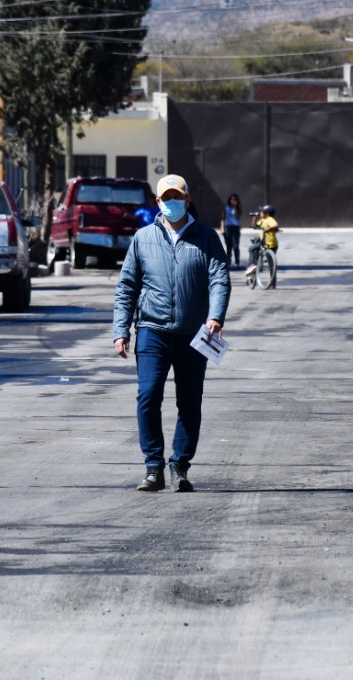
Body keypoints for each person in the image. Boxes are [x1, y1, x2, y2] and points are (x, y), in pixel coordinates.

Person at [113, 173, 230, 493]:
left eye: (177, 197)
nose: (172, 202)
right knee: (148, 395)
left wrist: (215, 316)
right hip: (152, 330)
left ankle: (179, 465)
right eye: (166, 198)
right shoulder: (143, 238)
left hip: (195, 334)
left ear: (188, 200)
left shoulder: (207, 238)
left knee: (189, 402)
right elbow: (127, 287)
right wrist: (120, 329)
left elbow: (219, 279)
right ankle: (153, 467)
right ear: (158, 202)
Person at [245, 204, 280, 287]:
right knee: (252, 248)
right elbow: (254, 226)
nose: (260, 213)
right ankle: (252, 266)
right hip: (263, 242)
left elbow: (276, 225)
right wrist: (255, 218)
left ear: (267, 213)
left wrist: (268, 229)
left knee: (271, 263)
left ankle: (272, 283)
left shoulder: (270, 219)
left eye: (262, 212)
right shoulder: (263, 220)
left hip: (271, 244)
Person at [220, 193, 242, 266]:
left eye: (235, 200)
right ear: (229, 200)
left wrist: (235, 207)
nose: (233, 201)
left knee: (236, 245)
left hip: (235, 227)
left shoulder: (238, 208)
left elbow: (237, 215)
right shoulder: (226, 208)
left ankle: (237, 261)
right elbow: (223, 219)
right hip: (228, 227)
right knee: (228, 246)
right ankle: (228, 261)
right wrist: (222, 228)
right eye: (232, 199)